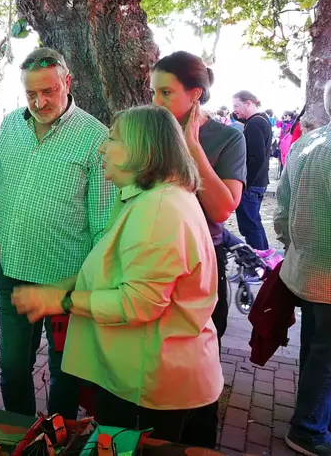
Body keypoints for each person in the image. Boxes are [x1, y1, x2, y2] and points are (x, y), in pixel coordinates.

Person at [13, 105, 222, 442]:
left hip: (150, 386)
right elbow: (109, 266)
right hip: (139, 378)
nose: (101, 148)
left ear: (142, 150)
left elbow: (138, 303)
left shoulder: (158, 209)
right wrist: (60, 289)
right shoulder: (143, 198)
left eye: (112, 139)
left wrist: (63, 300)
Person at [0, 47, 115, 419]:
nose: (40, 102)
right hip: (13, 273)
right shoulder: (11, 125)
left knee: (66, 374)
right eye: (31, 94)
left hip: (66, 284)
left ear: (67, 82)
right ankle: (20, 432)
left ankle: (59, 439)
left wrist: (83, 285)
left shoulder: (95, 136)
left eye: (49, 91)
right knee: (12, 367)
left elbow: (103, 223)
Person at [150, 51, 246, 448]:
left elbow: (224, 207)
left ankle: (199, 442)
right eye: (153, 92)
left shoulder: (227, 137)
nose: (156, 102)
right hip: (154, 259)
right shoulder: (152, 130)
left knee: (199, 356)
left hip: (203, 262)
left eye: (166, 92)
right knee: (157, 357)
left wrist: (193, 147)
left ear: (195, 94)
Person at [274, 82, 331, 456]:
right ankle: (308, 429)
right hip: (324, 274)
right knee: (324, 355)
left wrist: (295, 247)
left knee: (314, 347)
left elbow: (280, 213)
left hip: (305, 267)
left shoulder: (305, 143)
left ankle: (309, 415)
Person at [232, 91, 272, 250]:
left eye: (237, 105)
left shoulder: (255, 123)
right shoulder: (261, 119)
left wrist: (245, 182)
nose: (234, 110)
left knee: (250, 226)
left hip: (252, 183)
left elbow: (257, 157)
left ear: (249, 103)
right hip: (259, 182)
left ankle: (261, 261)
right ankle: (266, 258)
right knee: (254, 224)